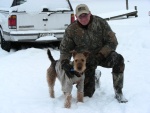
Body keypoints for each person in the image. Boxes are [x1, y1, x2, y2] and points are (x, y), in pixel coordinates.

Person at [59, 4, 128, 103]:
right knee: (87, 94)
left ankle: (118, 92)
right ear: (76, 17)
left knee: (119, 60)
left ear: (90, 14)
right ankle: (95, 75)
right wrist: (65, 62)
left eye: (85, 15)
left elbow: (112, 41)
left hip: (101, 56)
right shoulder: (71, 29)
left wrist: (100, 55)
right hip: (83, 62)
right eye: (80, 16)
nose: (83, 18)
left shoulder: (100, 23)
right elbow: (65, 49)